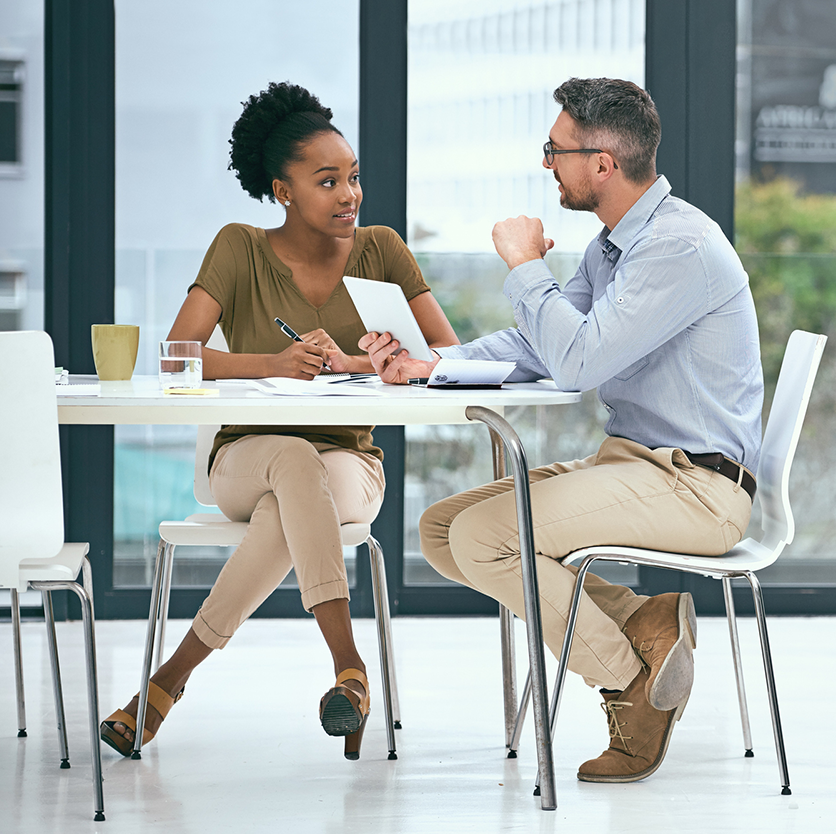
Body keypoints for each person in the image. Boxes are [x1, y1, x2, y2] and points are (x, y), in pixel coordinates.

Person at [362, 77, 763, 783]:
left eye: (556, 149)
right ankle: (645, 623)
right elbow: (537, 345)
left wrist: (524, 266)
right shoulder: (614, 248)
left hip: (697, 487)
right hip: (637, 466)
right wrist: (433, 365)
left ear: (601, 163)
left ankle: (628, 682)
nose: (547, 163)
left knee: (487, 538)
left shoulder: (677, 248)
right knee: (443, 531)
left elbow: (578, 362)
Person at [99, 81, 458, 761]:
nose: (350, 194)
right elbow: (180, 356)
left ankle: (165, 686)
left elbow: (447, 355)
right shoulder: (238, 247)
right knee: (291, 461)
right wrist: (275, 362)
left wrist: (364, 365)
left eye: (353, 177)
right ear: (283, 190)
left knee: (296, 492)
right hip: (244, 458)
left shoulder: (382, 249)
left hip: (351, 466)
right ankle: (349, 668)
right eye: (328, 181)